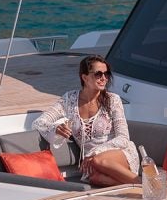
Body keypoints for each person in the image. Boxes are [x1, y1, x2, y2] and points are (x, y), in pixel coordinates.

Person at [33, 55, 139, 187]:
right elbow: (39, 122)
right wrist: (56, 129)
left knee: (100, 161)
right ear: (85, 77)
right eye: (98, 74)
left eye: (106, 74)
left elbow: (123, 138)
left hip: (119, 154)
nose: (104, 78)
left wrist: (95, 152)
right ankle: (140, 184)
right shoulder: (69, 100)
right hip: (91, 164)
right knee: (96, 179)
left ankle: (150, 184)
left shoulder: (113, 100)